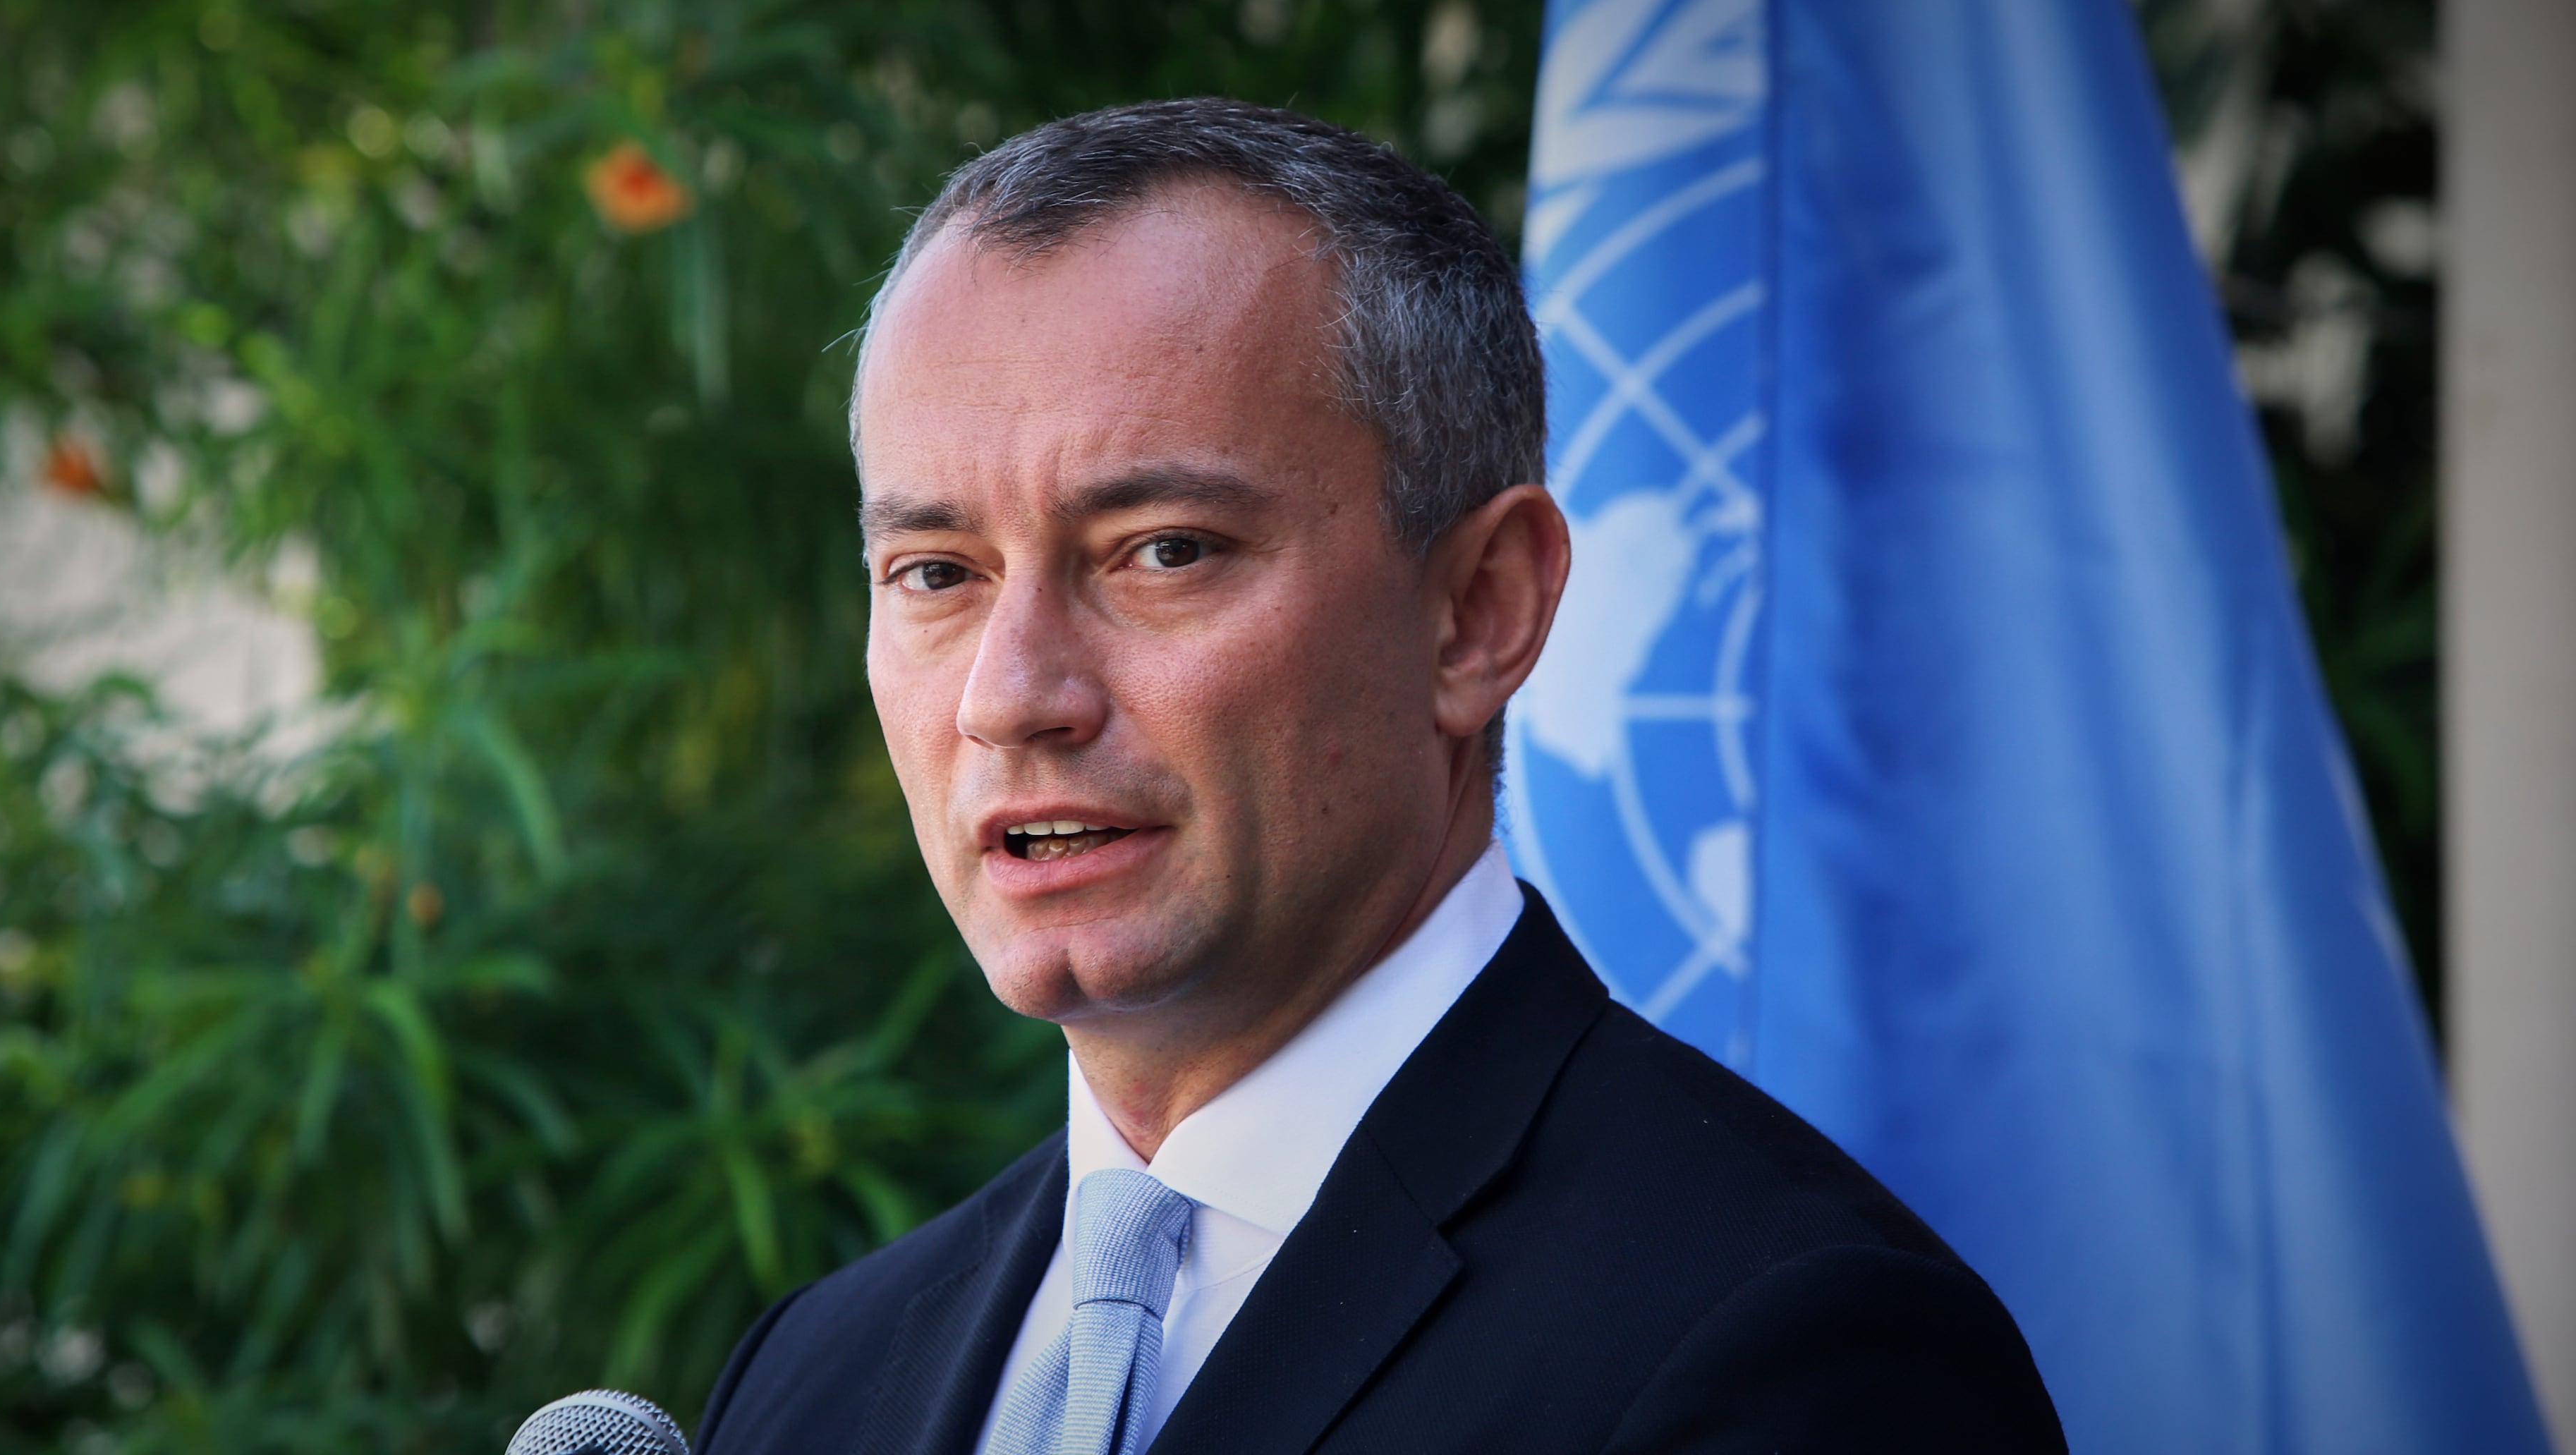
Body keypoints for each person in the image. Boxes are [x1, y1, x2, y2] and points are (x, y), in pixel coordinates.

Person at [694, 98, 2064, 1455]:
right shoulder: (810, 1381)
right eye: (937, 574)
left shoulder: (1794, 1355)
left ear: (1478, 611)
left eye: (1162, 550)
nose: (1010, 697)